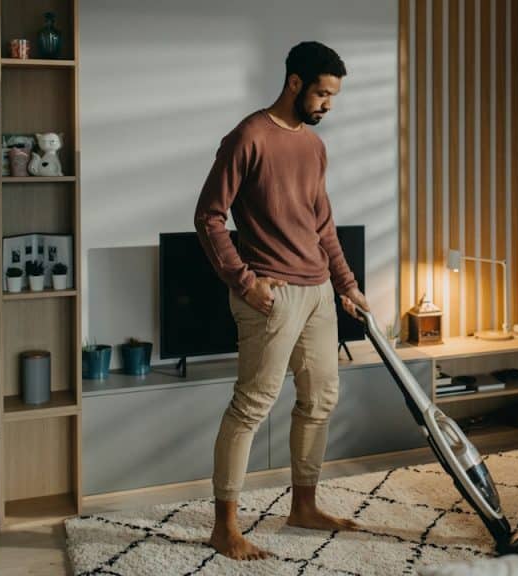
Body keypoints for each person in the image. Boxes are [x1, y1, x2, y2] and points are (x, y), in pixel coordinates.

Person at [193, 40, 369, 561]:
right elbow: (209, 217)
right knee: (251, 407)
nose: (327, 105)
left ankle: (305, 508)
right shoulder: (248, 137)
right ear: (294, 82)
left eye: (333, 95)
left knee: (319, 400)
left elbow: (323, 224)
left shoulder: (313, 147)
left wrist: (346, 285)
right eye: (322, 92)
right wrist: (245, 283)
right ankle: (225, 528)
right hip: (270, 294)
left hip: (317, 293)